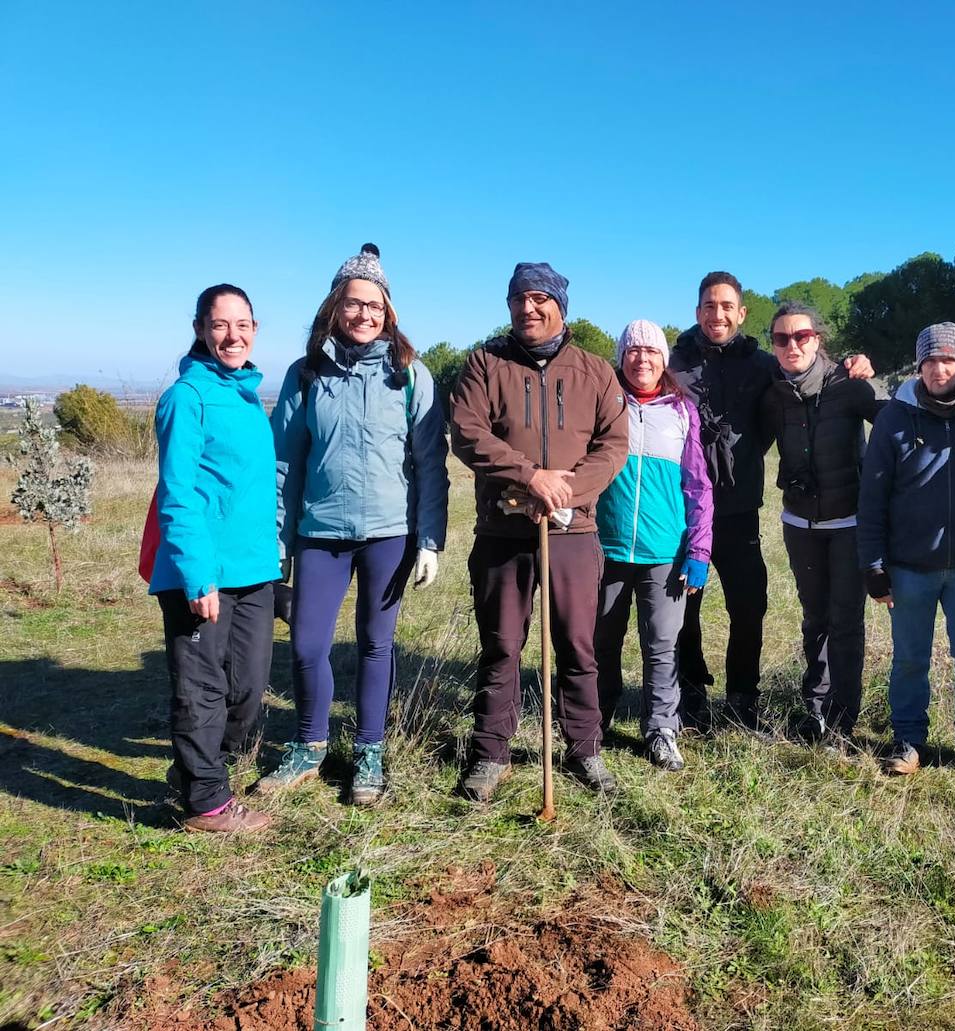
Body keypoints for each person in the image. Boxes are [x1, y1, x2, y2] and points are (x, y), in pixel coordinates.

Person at [261, 244, 449, 806]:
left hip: (388, 533)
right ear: (334, 308)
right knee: (306, 644)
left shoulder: (409, 374)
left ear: (387, 311)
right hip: (321, 532)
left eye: (374, 305)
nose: (364, 315)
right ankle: (310, 746)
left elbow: (429, 462)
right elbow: (283, 463)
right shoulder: (306, 373)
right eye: (353, 304)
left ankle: (370, 751)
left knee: (376, 643)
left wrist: (430, 539)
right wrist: (278, 541)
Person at [450, 262, 630, 802]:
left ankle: (584, 749)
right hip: (503, 531)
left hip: (574, 533)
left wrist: (566, 492)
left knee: (578, 644)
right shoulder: (485, 363)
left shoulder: (596, 371)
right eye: (517, 301)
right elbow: (466, 431)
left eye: (537, 299)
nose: (527, 310)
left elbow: (612, 444)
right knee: (501, 645)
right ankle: (490, 752)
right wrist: (531, 478)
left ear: (558, 304)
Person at [670, 272, 874, 732]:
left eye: (727, 306)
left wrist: (854, 364)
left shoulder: (763, 364)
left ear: (742, 314)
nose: (717, 314)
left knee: (749, 608)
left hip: (740, 507)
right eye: (708, 305)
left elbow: (809, 374)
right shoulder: (675, 363)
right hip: (681, 508)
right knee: (684, 607)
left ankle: (743, 700)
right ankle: (692, 696)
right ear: (697, 310)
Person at [857, 323, 955, 779]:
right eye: (930, 360)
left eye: (948, 359)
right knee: (909, 659)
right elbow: (872, 497)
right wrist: (873, 565)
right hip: (910, 567)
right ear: (919, 365)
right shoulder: (895, 416)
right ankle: (908, 739)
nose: (939, 369)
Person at [149, 284, 280, 832]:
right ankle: (206, 803)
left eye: (244, 324)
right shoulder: (188, 396)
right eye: (222, 324)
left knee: (248, 686)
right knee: (202, 687)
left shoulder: (249, 394)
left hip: (254, 570)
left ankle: (203, 771)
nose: (234, 335)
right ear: (201, 328)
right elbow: (177, 493)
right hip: (202, 576)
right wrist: (196, 575)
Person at [759, 303, 882, 742]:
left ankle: (844, 717)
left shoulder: (850, 385)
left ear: (818, 340)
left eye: (802, 336)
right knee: (814, 618)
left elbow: (892, 423)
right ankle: (816, 709)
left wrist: (871, 372)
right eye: (781, 339)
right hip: (798, 522)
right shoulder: (774, 392)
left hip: (849, 523)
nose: (792, 345)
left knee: (846, 619)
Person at [594, 321, 713, 770]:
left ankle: (661, 727)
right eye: (633, 350)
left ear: (665, 359)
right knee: (601, 641)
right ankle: (595, 718)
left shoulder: (682, 411)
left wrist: (699, 551)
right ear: (621, 357)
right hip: (605, 547)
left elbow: (698, 487)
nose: (642, 359)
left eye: (651, 351)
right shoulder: (604, 404)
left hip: (666, 552)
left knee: (663, 644)